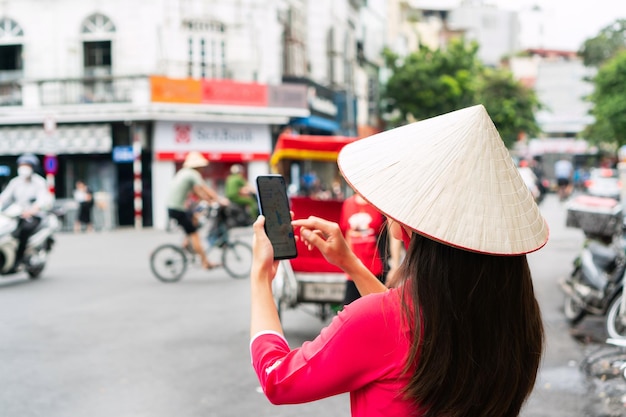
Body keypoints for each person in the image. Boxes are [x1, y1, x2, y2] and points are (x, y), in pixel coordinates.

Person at [249, 105, 548, 416]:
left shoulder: (379, 321)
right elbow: (409, 331)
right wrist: (351, 264)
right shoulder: (516, 315)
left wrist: (260, 279)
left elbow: (277, 379)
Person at [166, 151, 228, 270]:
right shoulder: (192, 174)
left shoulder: (184, 173)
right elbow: (205, 188)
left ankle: (185, 242)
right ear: (197, 166)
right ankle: (205, 262)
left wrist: (208, 200)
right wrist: (219, 199)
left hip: (174, 208)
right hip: (178, 209)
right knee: (194, 234)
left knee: (194, 217)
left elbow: (197, 191)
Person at [0, 154, 53, 272]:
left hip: (34, 216)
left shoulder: (39, 182)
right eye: (22, 165)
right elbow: (4, 197)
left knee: (23, 232)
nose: (24, 168)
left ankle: (19, 259)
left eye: (27, 165)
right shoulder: (15, 182)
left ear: (33, 167)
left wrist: (32, 210)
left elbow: (42, 200)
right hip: (16, 214)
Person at [339, 192, 394, 306]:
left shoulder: (378, 205)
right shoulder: (348, 204)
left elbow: (392, 236)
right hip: (354, 268)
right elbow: (348, 235)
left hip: (376, 268)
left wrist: (395, 265)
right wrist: (346, 263)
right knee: (351, 309)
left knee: (378, 309)